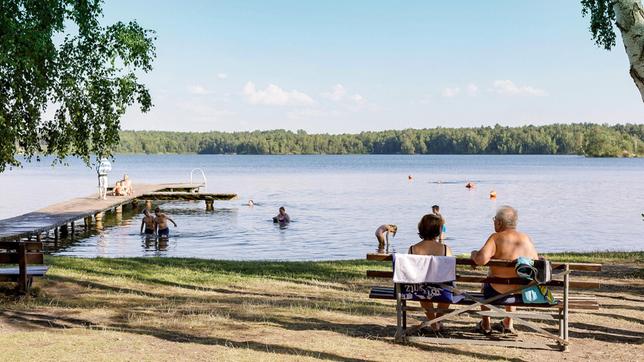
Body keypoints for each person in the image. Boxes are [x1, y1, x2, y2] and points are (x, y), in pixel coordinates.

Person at [470, 205, 539, 335]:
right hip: (519, 292)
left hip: (496, 291)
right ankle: (508, 322)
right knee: (516, 278)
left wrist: (473, 253)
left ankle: (486, 325)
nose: (494, 222)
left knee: (486, 282)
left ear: (500, 222)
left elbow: (480, 260)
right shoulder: (526, 238)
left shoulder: (496, 237)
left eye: (494, 219)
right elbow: (536, 262)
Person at [408, 214, 453, 333]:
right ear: (438, 230)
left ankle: (434, 324)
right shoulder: (445, 249)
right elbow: (450, 272)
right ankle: (437, 322)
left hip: (420, 289)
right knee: (449, 288)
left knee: (422, 287)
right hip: (442, 289)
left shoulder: (413, 249)